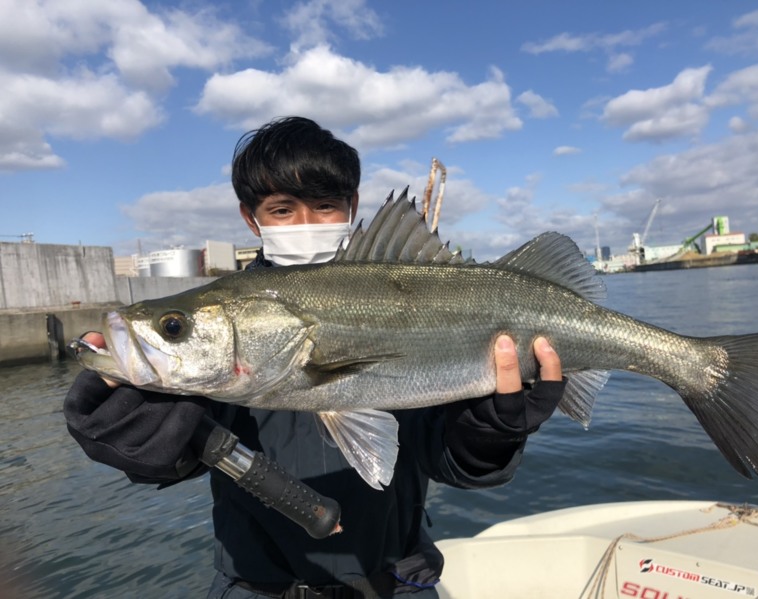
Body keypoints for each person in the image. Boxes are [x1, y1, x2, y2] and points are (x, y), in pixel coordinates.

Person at [64, 116, 566, 599]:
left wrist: (490, 431)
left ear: (351, 205)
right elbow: (170, 461)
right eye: (282, 210)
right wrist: (129, 432)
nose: (305, 223)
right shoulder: (220, 348)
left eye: (324, 205)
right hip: (256, 587)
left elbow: (454, 463)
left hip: (399, 579)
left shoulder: (409, 292)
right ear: (250, 217)